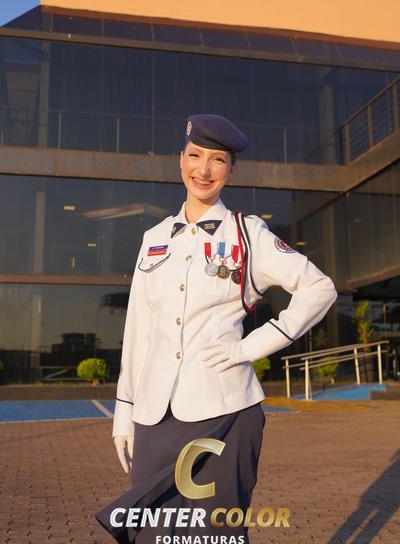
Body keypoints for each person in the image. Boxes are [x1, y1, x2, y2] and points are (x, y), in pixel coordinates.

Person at [96, 114, 338, 543]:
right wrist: (125, 411)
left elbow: (319, 288)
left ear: (232, 169)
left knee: (213, 535)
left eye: (218, 160)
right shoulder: (155, 238)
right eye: (195, 156)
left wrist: (251, 347)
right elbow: (138, 330)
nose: (203, 170)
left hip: (224, 413)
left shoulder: (248, 234)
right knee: (150, 533)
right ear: (180, 160)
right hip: (154, 416)